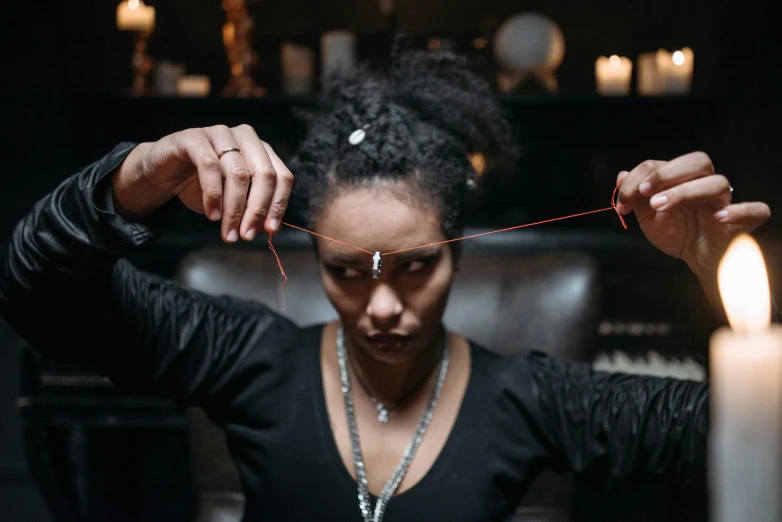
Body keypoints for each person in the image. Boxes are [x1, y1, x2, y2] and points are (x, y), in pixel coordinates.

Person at [0, 44, 774, 522]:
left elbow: (756, 437)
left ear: (460, 256)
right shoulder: (246, 357)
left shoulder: (535, 399)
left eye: (416, 268)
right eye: (343, 271)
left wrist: (729, 280)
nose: (380, 307)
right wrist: (130, 179)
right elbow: (36, 291)